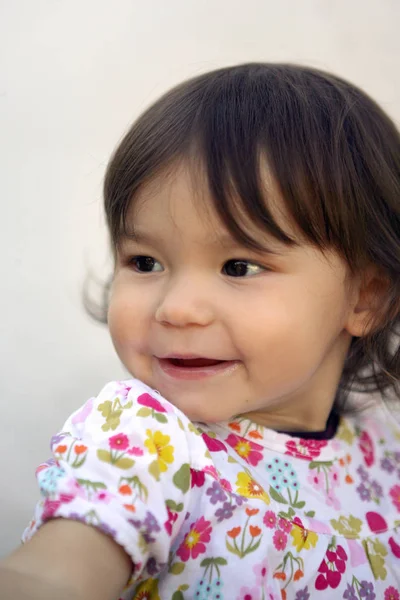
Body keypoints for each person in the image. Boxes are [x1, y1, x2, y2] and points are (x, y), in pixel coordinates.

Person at [1, 63, 399, 600]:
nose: (177, 309)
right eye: (144, 262)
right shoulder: (147, 443)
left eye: (239, 266)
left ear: (365, 298)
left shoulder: (381, 449)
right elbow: (52, 575)